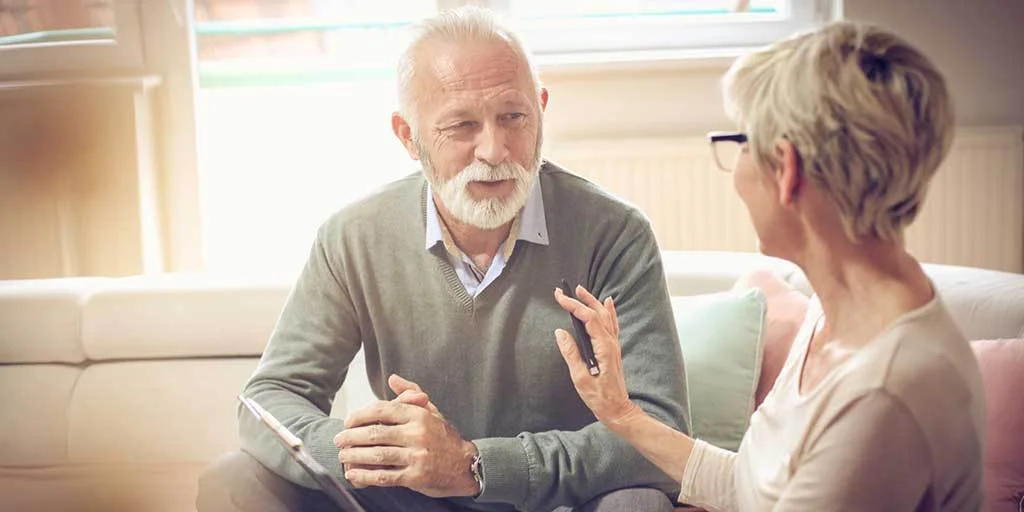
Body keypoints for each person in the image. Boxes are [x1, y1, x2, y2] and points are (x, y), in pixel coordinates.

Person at [197, 6, 689, 512]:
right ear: (407, 135)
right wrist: (384, 454)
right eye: (461, 126)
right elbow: (268, 404)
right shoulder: (353, 236)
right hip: (410, 500)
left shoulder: (614, 234)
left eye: (513, 117)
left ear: (541, 109)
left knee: (638, 502)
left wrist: (474, 465)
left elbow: (663, 433)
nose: (495, 150)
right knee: (235, 480)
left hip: (554, 500)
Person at [553, 21, 985, 512]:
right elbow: (756, 487)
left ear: (786, 169)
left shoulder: (886, 390)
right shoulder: (838, 312)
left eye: (741, 142)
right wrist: (623, 414)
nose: (735, 170)